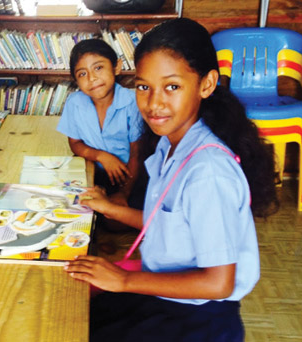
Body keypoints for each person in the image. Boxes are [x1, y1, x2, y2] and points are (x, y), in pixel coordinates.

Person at [65, 18, 278, 341]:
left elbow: (217, 282)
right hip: (171, 293)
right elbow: (169, 223)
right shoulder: (169, 143)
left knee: (80, 327)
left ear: (206, 84)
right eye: (143, 86)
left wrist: (123, 281)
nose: (153, 103)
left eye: (172, 87)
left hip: (199, 316)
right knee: (76, 310)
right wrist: (111, 208)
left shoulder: (207, 171)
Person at [57, 39, 145, 210]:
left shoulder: (132, 102)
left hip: (130, 175)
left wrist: (124, 193)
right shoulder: (74, 102)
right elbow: (75, 143)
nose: (92, 78)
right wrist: (101, 156)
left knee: (113, 222)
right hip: (93, 172)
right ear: (76, 80)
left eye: (98, 68)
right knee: (69, 205)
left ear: (116, 67)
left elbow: (138, 154)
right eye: (82, 74)